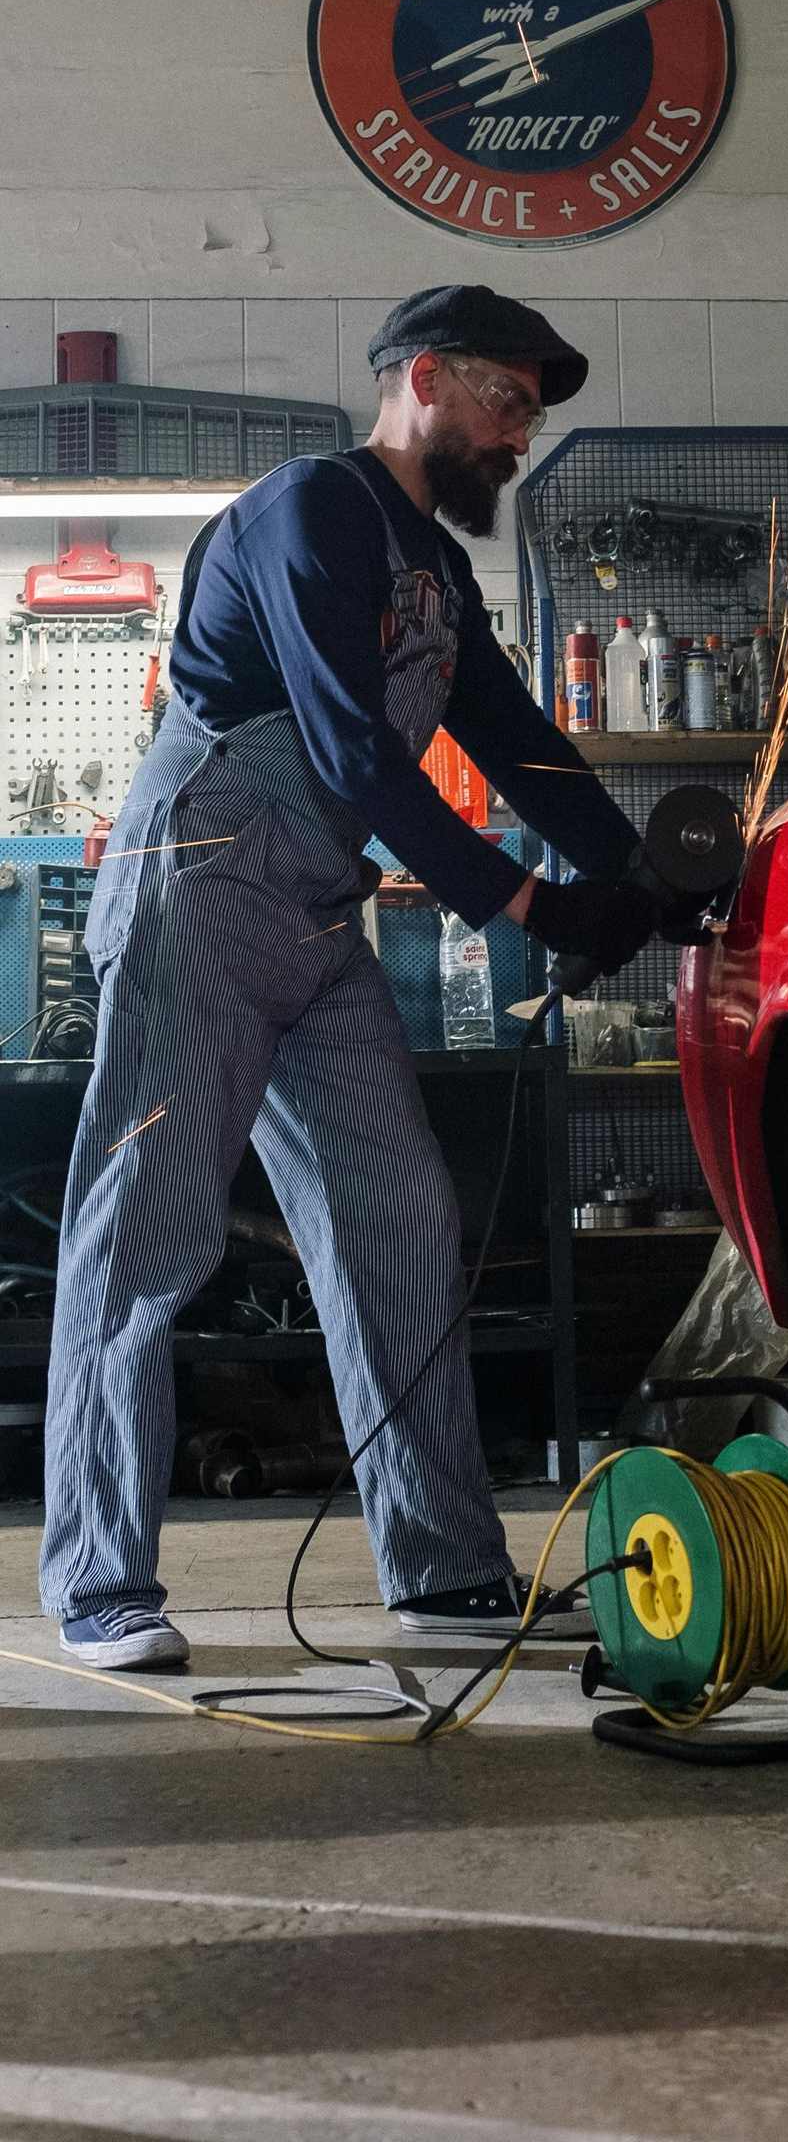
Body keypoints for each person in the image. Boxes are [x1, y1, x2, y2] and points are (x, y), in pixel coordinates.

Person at [40, 285, 657, 1670]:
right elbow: (347, 750)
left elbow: (514, 741)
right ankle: (98, 1584)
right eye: (506, 403)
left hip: (316, 915)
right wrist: (523, 904)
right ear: (424, 379)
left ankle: (439, 1567)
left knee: (401, 1217)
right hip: (203, 879)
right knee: (148, 1235)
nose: (519, 437)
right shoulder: (308, 511)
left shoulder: (432, 569)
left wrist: (650, 874)